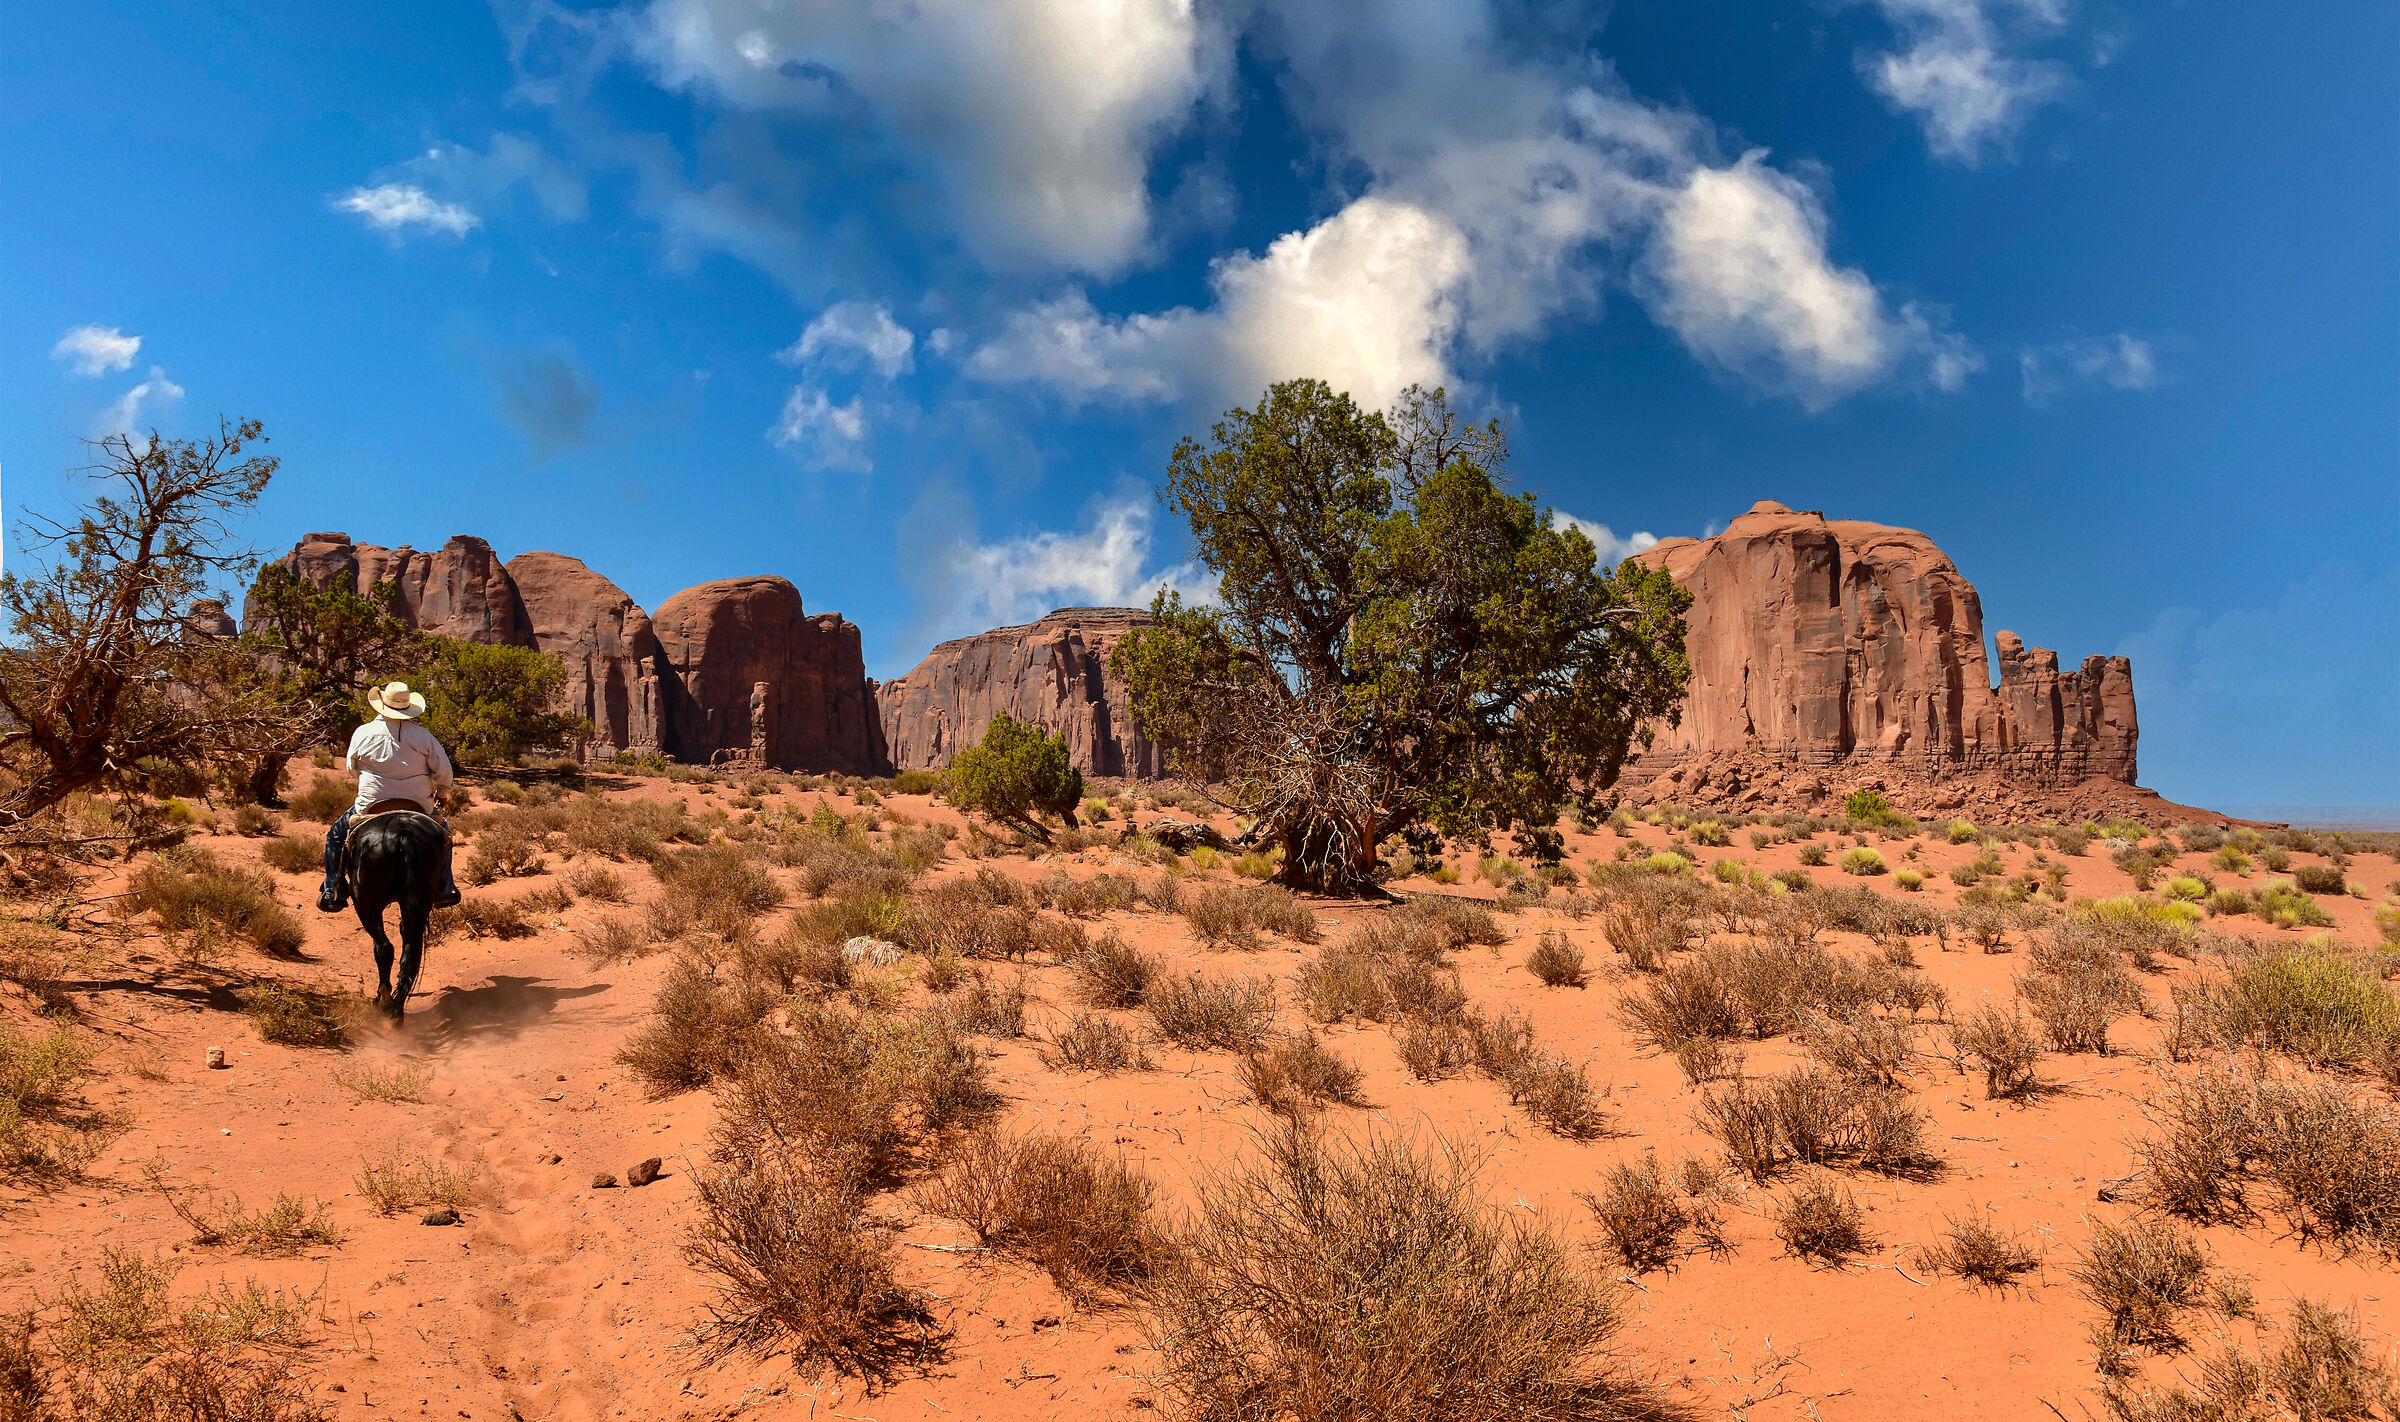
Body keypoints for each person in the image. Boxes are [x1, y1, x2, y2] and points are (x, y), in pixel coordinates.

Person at [320, 681, 460, 912]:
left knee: (335, 835)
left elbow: (351, 768)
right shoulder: (424, 736)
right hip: (418, 805)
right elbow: (443, 770)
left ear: (382, 705)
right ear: (408, 707)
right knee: (444, 834)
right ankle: (444, 889)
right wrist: (443, 791)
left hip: (371, 805)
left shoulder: (362, 732)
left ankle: (332, 890)